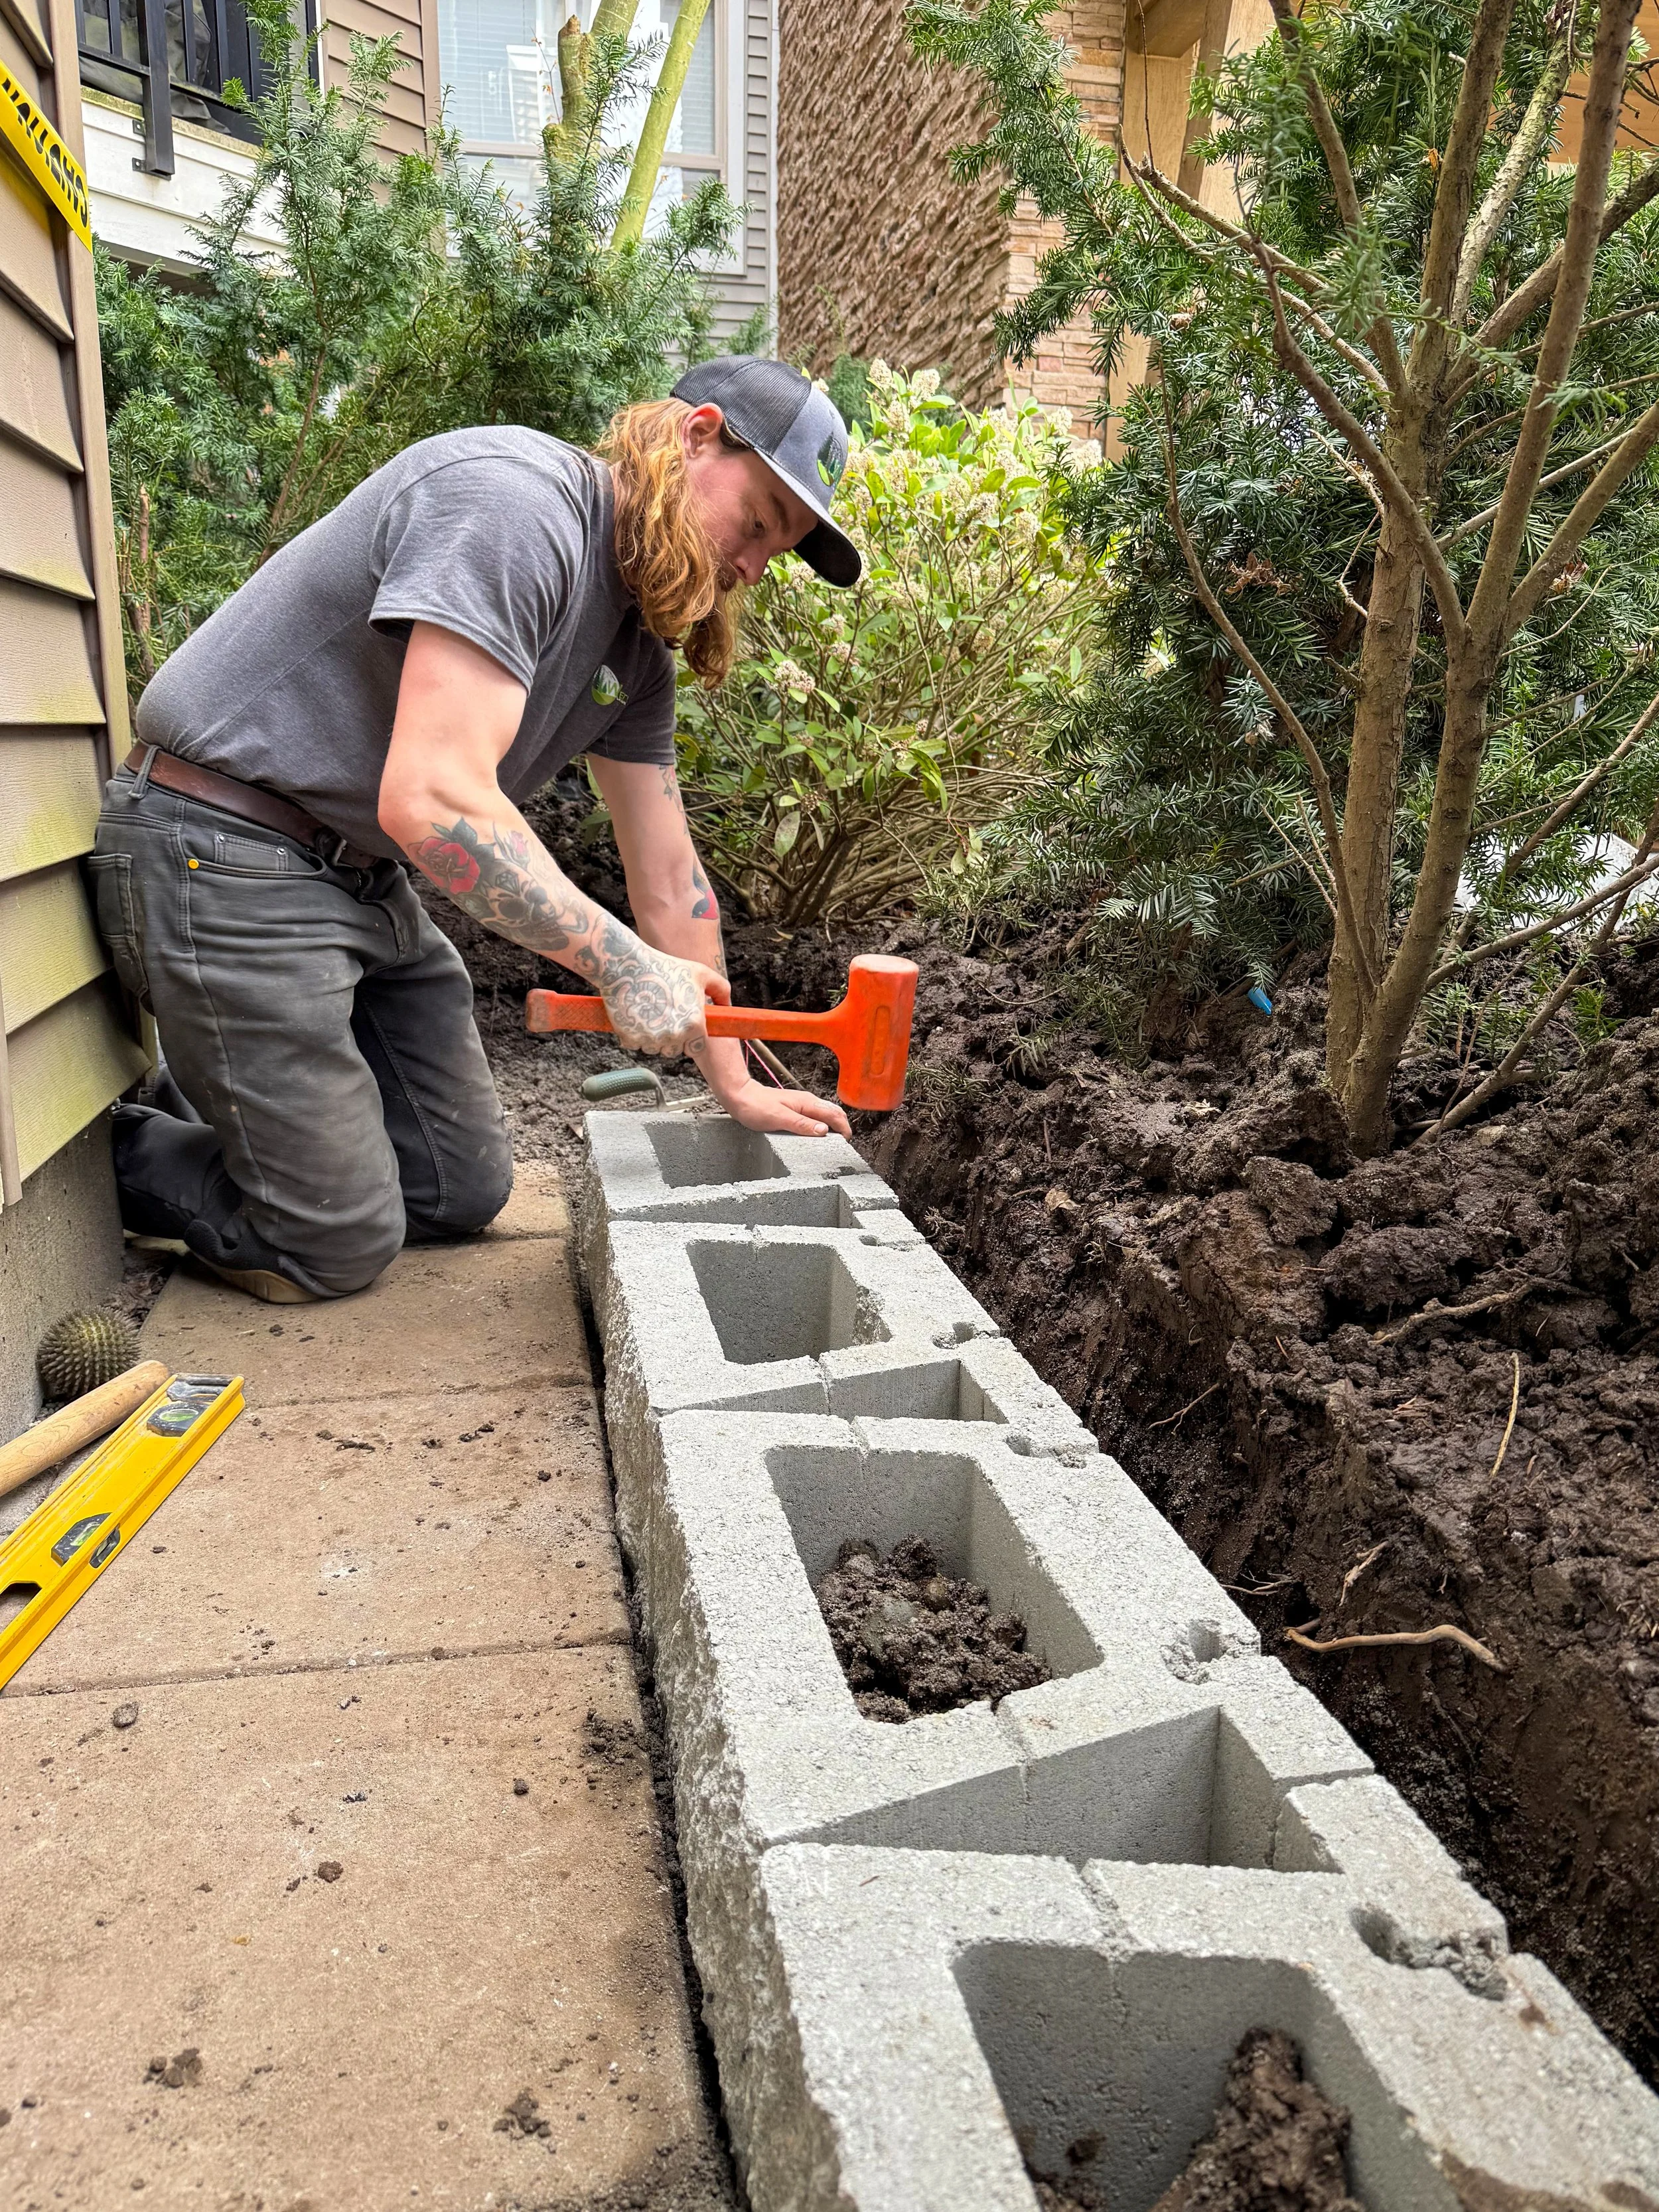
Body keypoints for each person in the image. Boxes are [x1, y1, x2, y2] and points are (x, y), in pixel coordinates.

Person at [93, 356, 859, 1305]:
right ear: (698, 433)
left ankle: (240, 1110)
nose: (750, 566)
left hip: (354, 881)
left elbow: (671, 881)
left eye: (772, 555)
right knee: (331, 1246)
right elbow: (434, 801)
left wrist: (731, 1079)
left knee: (458, 1189)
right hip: (218, 846)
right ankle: (115, 1151)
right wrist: (618, 963)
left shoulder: (633, 655)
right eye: (755, 526)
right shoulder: (512, 507)